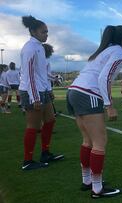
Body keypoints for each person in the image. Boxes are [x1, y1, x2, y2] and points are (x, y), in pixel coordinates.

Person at [67, 25, 122, 198]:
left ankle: (87, 181)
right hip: (87, 93)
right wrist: (109, 105)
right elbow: (103, 77)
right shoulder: (119, 52)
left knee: (87, 140)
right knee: (100, 141)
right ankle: (97, 189)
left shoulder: (104, 51)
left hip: (74, 91)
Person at [19, 15, 64, 171]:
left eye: (47, 31)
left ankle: (45, 153)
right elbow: (29, 75)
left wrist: (49, 90)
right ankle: (27, 161)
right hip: (32, 92)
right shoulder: (30, 48)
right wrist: (35, 96)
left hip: (42, 90)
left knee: (50, 120)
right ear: (33, 31)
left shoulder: (39, 47)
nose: (46, 34)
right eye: (43, 32)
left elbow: (41, 73)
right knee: (33, 126)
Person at [42, 43, 58, 116]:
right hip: (46, 84)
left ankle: (53, 112)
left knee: (46, 99)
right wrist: (55, 78)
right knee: (50, 98)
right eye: (51, 52)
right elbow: (47, 74)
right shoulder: (46, 61)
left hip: (40, 84)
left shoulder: (38, 60)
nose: (51, 54)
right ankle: (52, 113)